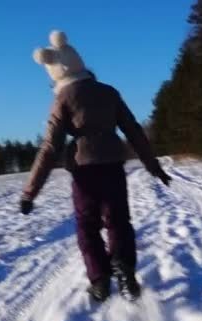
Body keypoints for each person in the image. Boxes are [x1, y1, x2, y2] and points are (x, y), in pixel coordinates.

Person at [20, 31, 171, 302]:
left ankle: (99, 281)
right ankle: (125, 273)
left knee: (87, 225)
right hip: (112, 164)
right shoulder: (108, 92)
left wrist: (30, 192)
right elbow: (134, 131)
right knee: (118, 221)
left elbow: (50, 147)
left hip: (84, 171)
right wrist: (153, 166)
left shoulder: (62, 99)